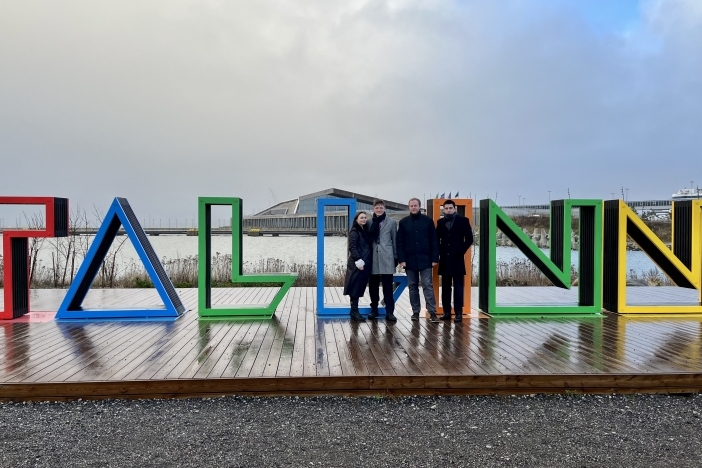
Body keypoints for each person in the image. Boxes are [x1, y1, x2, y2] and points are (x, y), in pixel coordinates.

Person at [397, 198, 440, 322]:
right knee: (412, 286)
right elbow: (400, 242)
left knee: (428, 285)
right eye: (411, 206)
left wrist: (434, 258)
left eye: (415, 205)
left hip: (426, 259)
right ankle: (416, 312)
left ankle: (432, 312)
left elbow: (434, 240)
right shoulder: (403, 222)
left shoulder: (428, 221)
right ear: (408, 207)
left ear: (420, 206)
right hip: (409, 261)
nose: (413, 208)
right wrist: (402, 259)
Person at [436, 199, 474, 323]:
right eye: (446, 208)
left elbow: (469, 239)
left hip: (457, 258)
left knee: (458, 287)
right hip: (445, 259)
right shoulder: (440, 222)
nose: (448, 210)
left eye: (450, 208)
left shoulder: (463, 221)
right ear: (443, 209)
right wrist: (440, 252)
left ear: (455, 208)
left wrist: (460, 250)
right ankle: (447, 312)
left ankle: (458, 313)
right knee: (446, 287)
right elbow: (436, 240)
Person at [367, 199, 398, 322]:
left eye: (381, 207)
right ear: (373, 209)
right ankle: (374, 309)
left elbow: (394, 240)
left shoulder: (391, 222)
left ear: (384, 208)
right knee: (373, 286)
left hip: (387, 257)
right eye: (377, 208)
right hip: (373, 257)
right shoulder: (369, 222)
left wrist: (396, 257)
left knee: (387, 286)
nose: (379, 210)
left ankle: (389, 312)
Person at [343, 211, 373, 321]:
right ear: (356, 219)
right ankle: (354, 312)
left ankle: (354, 311)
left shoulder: (364, 231)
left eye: (365, 218)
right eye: (361, 218)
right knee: (355, 287)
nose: (364, 219)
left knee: (359, 287)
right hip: (358, 264)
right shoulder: (355, 231)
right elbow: (352, 247)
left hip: (363, 263)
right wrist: (358, 260)